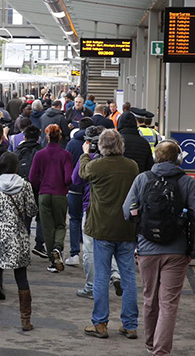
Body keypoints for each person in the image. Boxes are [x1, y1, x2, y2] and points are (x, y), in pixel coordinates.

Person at [123, 139, 195, 354]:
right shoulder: (188, 182)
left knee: (150, 299)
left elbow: (126, 211)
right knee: (168, 303)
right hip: (177, 252)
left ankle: (150, 344)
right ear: (179, 159)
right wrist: (193, 249)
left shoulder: (142, 179)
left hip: (147, 251)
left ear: (155, 158)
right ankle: (160, 351)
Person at [78, 129, 140, 339]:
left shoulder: (97, 165)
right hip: (126, 228)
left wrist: (85, 152)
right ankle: (130, 325)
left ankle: (100, 324)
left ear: (102, 146)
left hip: (102, 228)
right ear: (120, 145)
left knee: (102, 276)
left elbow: (82, 172)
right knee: (129, 276)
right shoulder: (132, 166)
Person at [0, 152, 38, 331]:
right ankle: (25, 321)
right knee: (21, 277)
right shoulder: (25, 185)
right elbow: (32, 210)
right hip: (17, 234)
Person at [72, 126, 122, 299]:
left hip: (91, 208)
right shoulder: (123, 163)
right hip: (116, 210)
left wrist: (84, 154)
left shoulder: (91, 162)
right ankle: (115, 274)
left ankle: (91, 286)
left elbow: (76, 179)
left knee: (90, 249)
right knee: (111, 245)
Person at [29, 124, 72, 273]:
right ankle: (58, 247)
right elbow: (68, 178)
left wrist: (42, 184)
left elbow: (32, 177)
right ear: (60, 137)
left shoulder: (39, 155)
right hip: (60, 194)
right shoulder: (66, 155)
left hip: (44, 194)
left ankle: (52, 260)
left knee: (47, 228)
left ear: (46, 137)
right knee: (60, 225)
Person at [13, 125, 45, 258]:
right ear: (38, 138)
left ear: (24, 137)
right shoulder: (41, 152)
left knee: (24, 218)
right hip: (38, 188)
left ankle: (22, 245)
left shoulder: (17, 152)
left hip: (21, 188)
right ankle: (39, 244)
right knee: (41, 218)